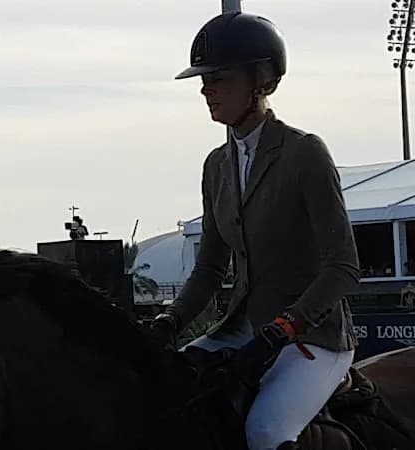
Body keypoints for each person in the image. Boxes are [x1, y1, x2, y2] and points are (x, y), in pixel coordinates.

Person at [148, 12, 360, 450]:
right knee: (164, 399)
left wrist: (287, 325)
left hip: (313, 338)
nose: (206, 89)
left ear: (260, 81)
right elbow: (208, 268)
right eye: (204, 80)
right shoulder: (215, 166)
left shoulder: (304, 154)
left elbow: (343, 267)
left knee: (265, 432)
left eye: (219, 78)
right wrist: (170, 320)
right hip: (243, 329)